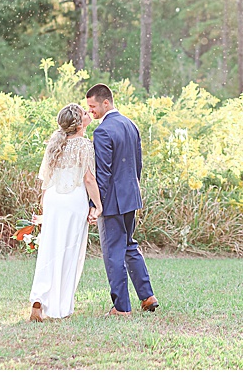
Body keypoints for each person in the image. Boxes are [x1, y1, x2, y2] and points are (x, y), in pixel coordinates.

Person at [85, 83, 158, 317]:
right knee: (129, 246)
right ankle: (147, 296)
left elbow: (103, 173)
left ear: (106, 103)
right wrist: (132, 190)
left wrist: (96, 205)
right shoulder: (130, 124)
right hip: (130, 196)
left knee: (113, 253)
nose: (91, 111)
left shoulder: (102, 131)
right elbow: (138, 164)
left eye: (93, 106)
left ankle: (121, 307)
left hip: (113, 201)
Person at [28, 103, 103, 321]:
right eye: (84, 113)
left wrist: (44, 210)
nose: (89, 114)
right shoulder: (84, 145)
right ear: (79, 124)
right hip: (73, 201)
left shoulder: (55, 143)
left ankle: (39, 297)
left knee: (49, 250)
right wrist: (97, 206)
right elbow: (89, 179)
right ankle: (60, 307)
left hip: (53, 199)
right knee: (69, 251)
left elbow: (46, 181)